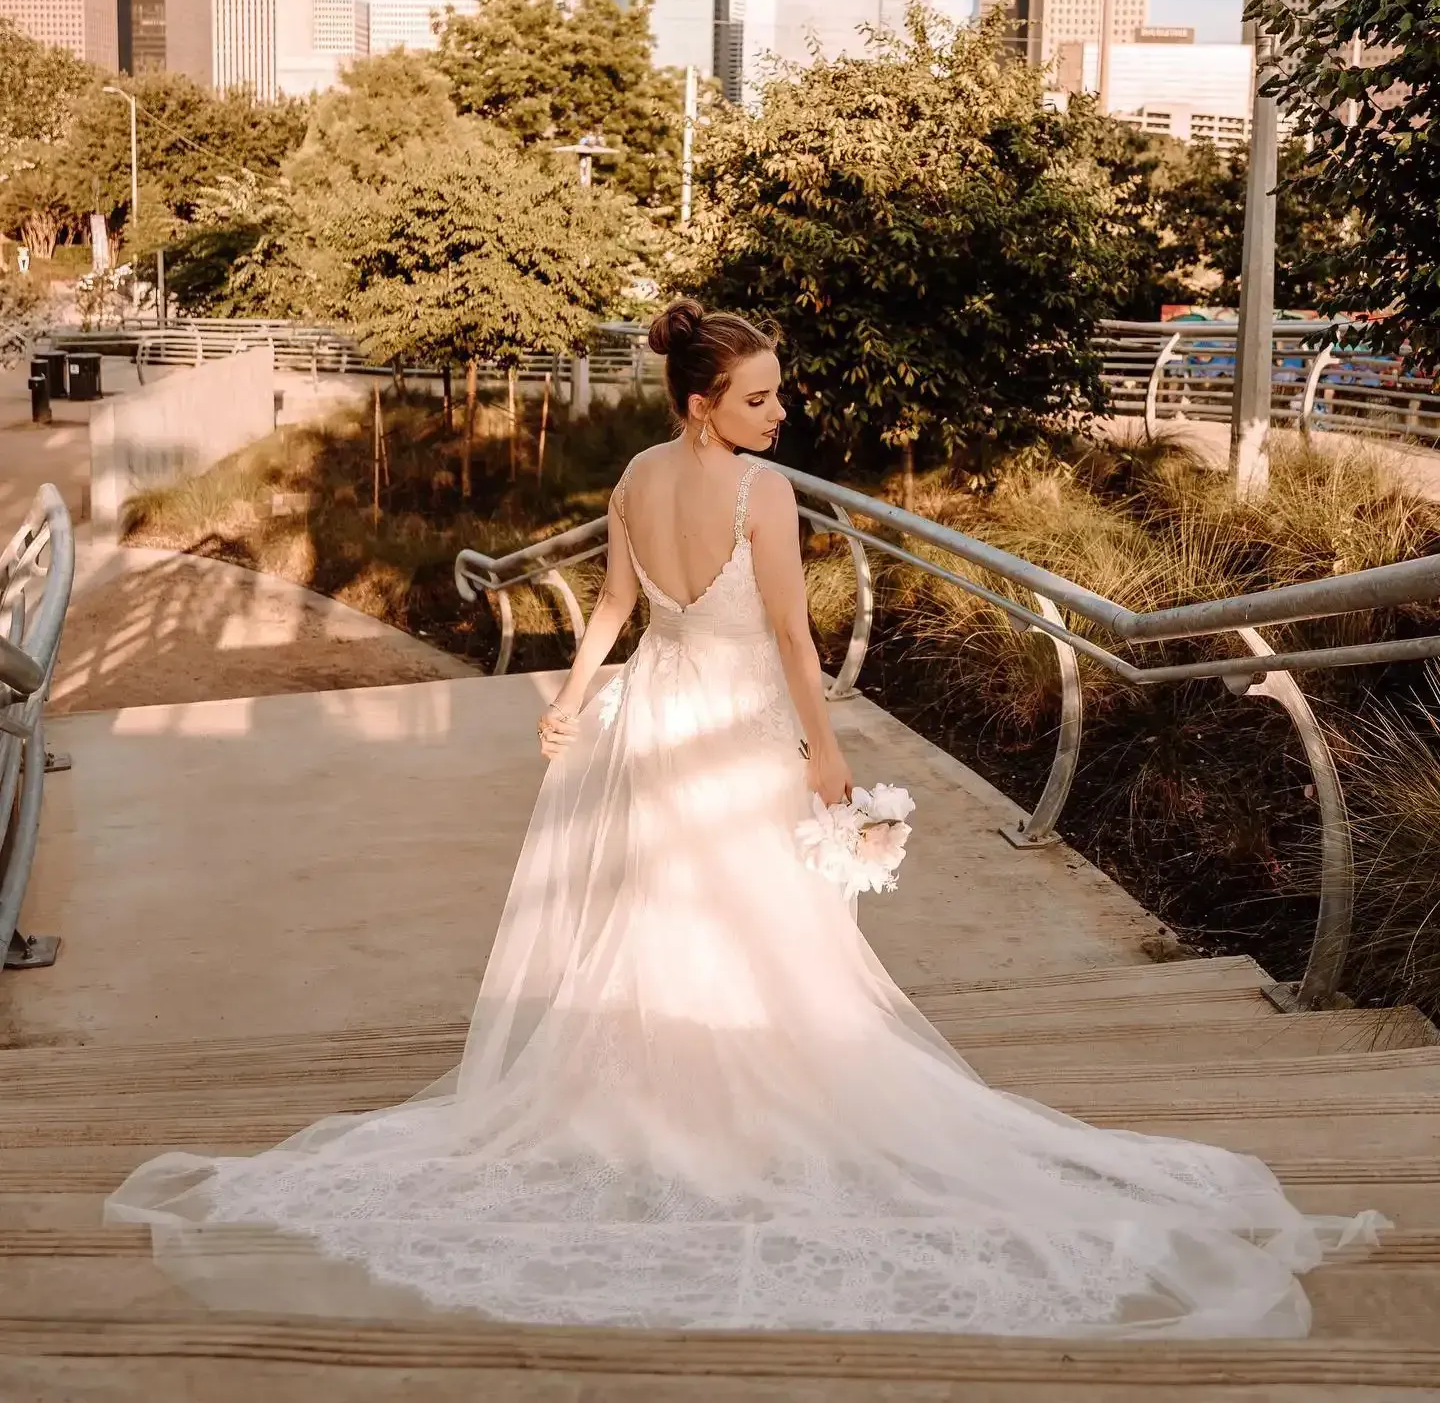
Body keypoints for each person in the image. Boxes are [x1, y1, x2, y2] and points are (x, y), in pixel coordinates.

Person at [106, 299, 1385, 1337]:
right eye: (761, 397)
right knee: (744, 918)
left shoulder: (635, 475)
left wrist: (570, 700)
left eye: (779, 393)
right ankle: (726, 1103)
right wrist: (824, 751)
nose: (782, 413)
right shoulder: (760, 494)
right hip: (727, 727)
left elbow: (609, 606)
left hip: (650, 718)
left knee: (655, 911)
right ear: (701, 402)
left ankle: (656, 1098)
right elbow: (785, 632)